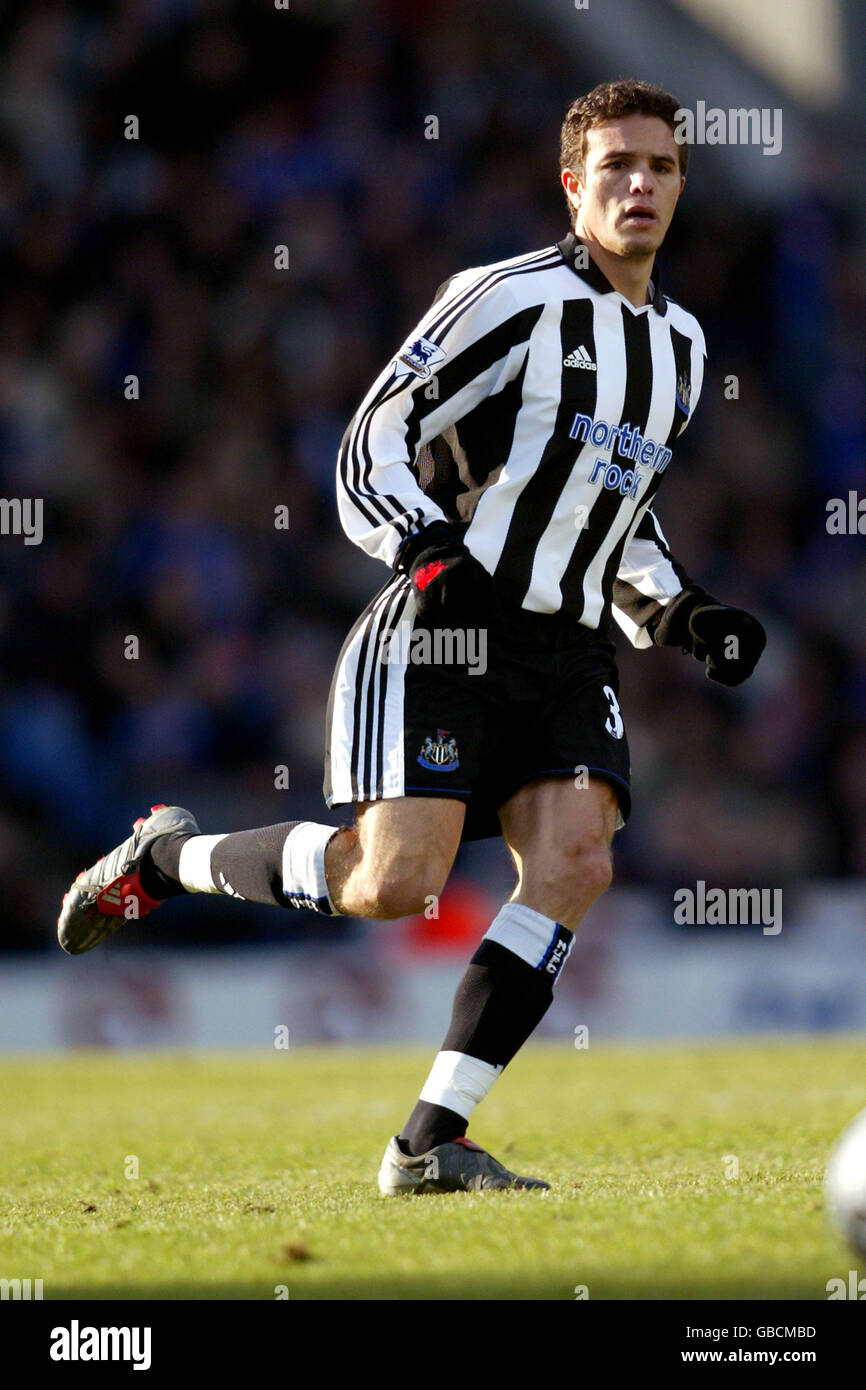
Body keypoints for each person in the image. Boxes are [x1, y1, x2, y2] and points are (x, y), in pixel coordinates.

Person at [58, 79, 765, 1194]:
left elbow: (613, 511)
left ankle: (429, 1140)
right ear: (572, 185)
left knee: (577, 861)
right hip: (447, 630)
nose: (639, 184)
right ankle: (164, 856)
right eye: (616, 166)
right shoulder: (503, 298)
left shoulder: (678, 348)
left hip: (570, 647)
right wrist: (426, 551)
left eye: (661, 166)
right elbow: (370, 437)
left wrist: (679, 609)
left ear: (681, 183)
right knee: (394, 884)